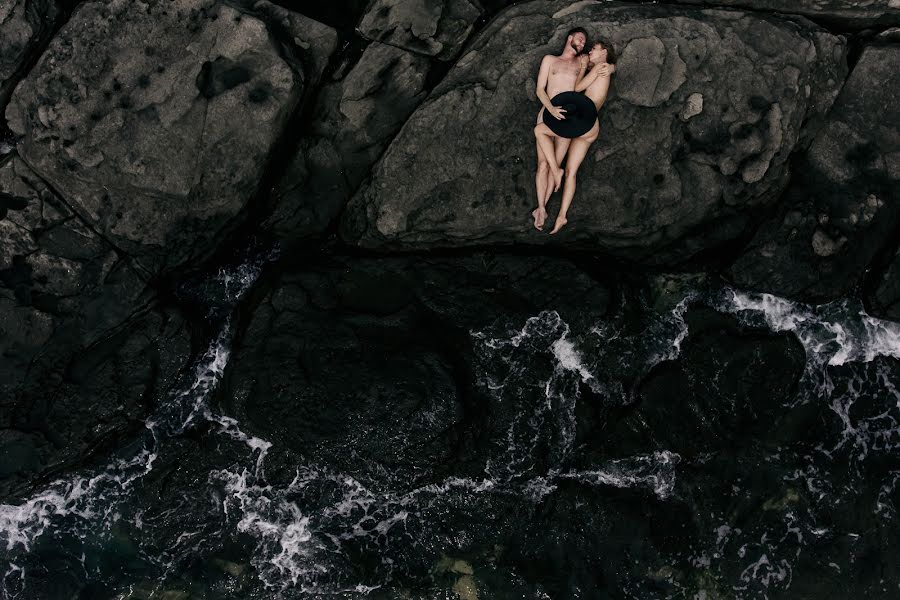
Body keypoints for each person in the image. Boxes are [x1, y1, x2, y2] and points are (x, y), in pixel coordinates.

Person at [533, 40, 616, 234]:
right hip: (591, 127)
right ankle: (562, 215)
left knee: (539, 130)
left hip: (583, 121)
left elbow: (577, 88)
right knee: (571, 172)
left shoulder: (600, 68)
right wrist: (611, 66)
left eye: (594, 49)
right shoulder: (604, 68)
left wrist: (584, 68)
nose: (590, 51)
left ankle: (555, 172)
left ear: (604, 51)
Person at [531, 27, 589, 230]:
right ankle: (541, 208)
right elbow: (540, 89)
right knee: (543, 165)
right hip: (548, 112)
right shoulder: (550, 59)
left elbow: (580, 88)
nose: (582, 44)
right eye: (580, 40)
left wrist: (583, 67)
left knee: (554, 161)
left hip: (570, 117)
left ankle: (543, 206)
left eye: (584, 43)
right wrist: (551, 109)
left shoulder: (580, 63)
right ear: (570, 37)